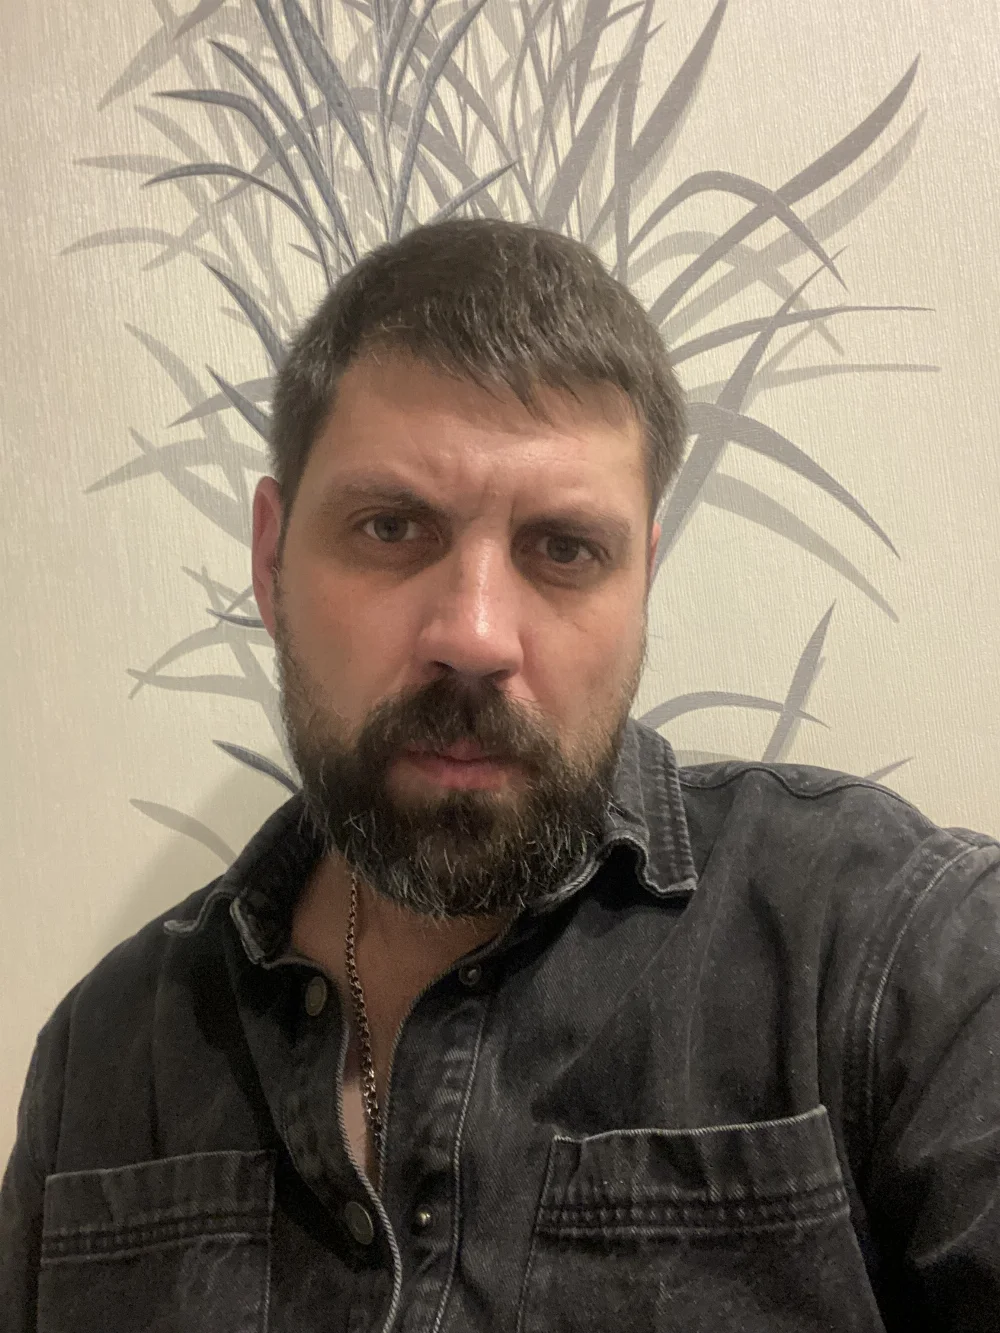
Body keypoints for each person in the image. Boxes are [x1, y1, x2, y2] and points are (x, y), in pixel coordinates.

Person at [2, 218, 998, 1333]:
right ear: (271, 557)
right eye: (391, 527)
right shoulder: (100, 1062)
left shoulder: (889, 954)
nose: (474, 635)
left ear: (642, 580)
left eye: (564, 548)